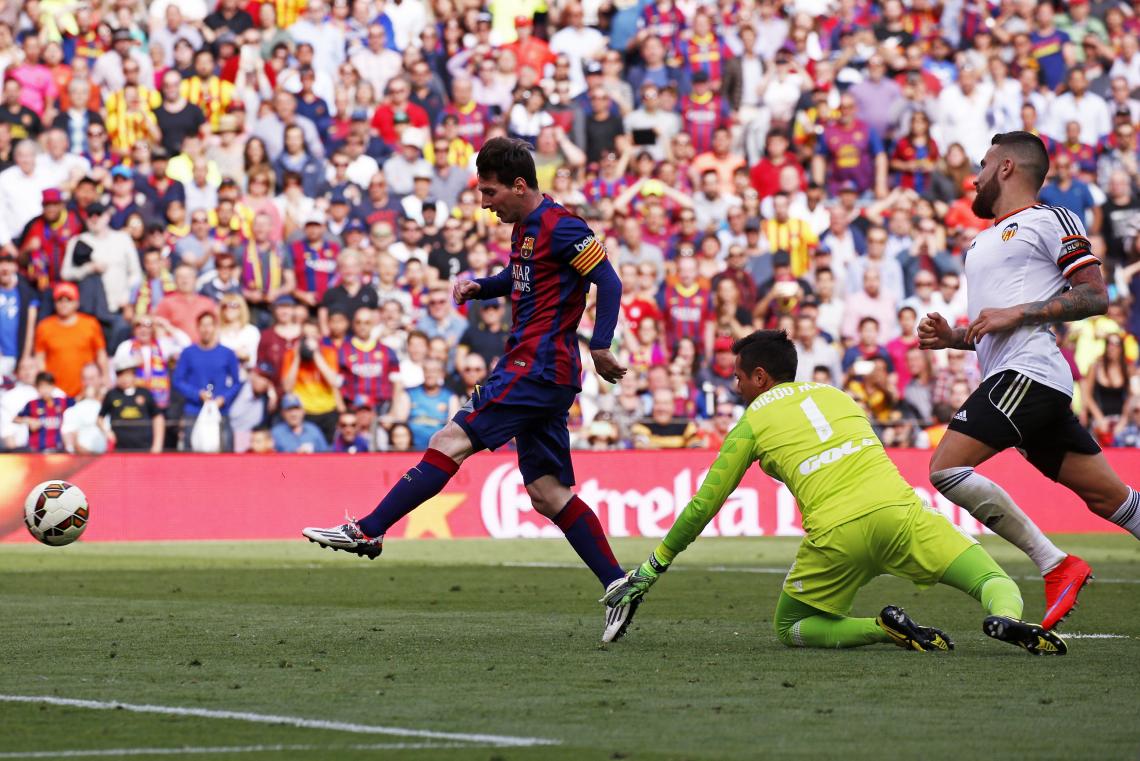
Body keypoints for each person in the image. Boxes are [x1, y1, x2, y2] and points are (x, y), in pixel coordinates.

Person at [303, 137, 635, 642]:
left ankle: (368, 529)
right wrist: (485, 285)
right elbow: (523, 279)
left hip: (536, 364)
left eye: (490, 191)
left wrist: (603, 345)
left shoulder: (564, 226)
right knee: (548, 493)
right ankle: (618, 584)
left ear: (520, 185)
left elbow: (607, 281)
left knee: (448, 442)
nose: (483, 202)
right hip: (542, 370)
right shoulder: (524, 227)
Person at [603, 330, 1067, 656]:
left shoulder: (752, 421)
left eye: (739, 376)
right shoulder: (838, 395)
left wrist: (654, 565)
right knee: (993, 581)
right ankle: (1008, 618)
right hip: (903, 514)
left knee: (791, 627)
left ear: (761, 377)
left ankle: (882, 629)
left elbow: (705, 504)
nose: (735, 384)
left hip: (838, 534)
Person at [918, 131, 1140, 633]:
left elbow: (1094, 296)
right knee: (1113, 500)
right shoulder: (981, 241)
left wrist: (1017, 313)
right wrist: (954, 336)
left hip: (1030, 374)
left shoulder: (1049, 219)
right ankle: (1059, 565)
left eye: (982, 163)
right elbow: (994, 326)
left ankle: (1055, 564)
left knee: (945, 469)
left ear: (1007, 169)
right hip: (1014, 375)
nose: (973, 176)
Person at [172, 311, 242, 451]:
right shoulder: (188, 353)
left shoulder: (227, 353)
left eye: (209, 325)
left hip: (220, 411)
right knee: (191, 452)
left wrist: (224, 398)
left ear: (216, 327)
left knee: (224, 452)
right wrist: (197, 394)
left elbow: (236, 382)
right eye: (202, 325)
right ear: (197, 328)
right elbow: (177, 380)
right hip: (193, 410)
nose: (206, 329)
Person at [33, 281, 108, 398]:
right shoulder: (44, 326)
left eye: (69, 300)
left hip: (86, 390)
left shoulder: (90, 324)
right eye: (60, 300)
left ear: (77, 303)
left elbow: (101, 354)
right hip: (55, 392)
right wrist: (44, 385)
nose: (64, 304)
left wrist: (105, 378)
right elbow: (40, 359)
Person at [99, 354, 164, 453]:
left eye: (127, 374)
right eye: (120, 374)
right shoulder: (112, 395)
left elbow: (158, 418)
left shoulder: (144, 393)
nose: (124, 378)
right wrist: (107, 432)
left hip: (144, 448)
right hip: (119, 449)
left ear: (134, 374)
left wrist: (157, 445)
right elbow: (100, 418)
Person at [14, 370, 73, 453]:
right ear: (37, 388)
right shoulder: (32, 404)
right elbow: (15, 418)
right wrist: (29, 420)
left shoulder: (61, 401)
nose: (45, 390)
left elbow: (77, 402)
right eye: (42, 387)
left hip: (57, 449)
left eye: (48, 386)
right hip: (37, 450)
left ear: (53, 387)